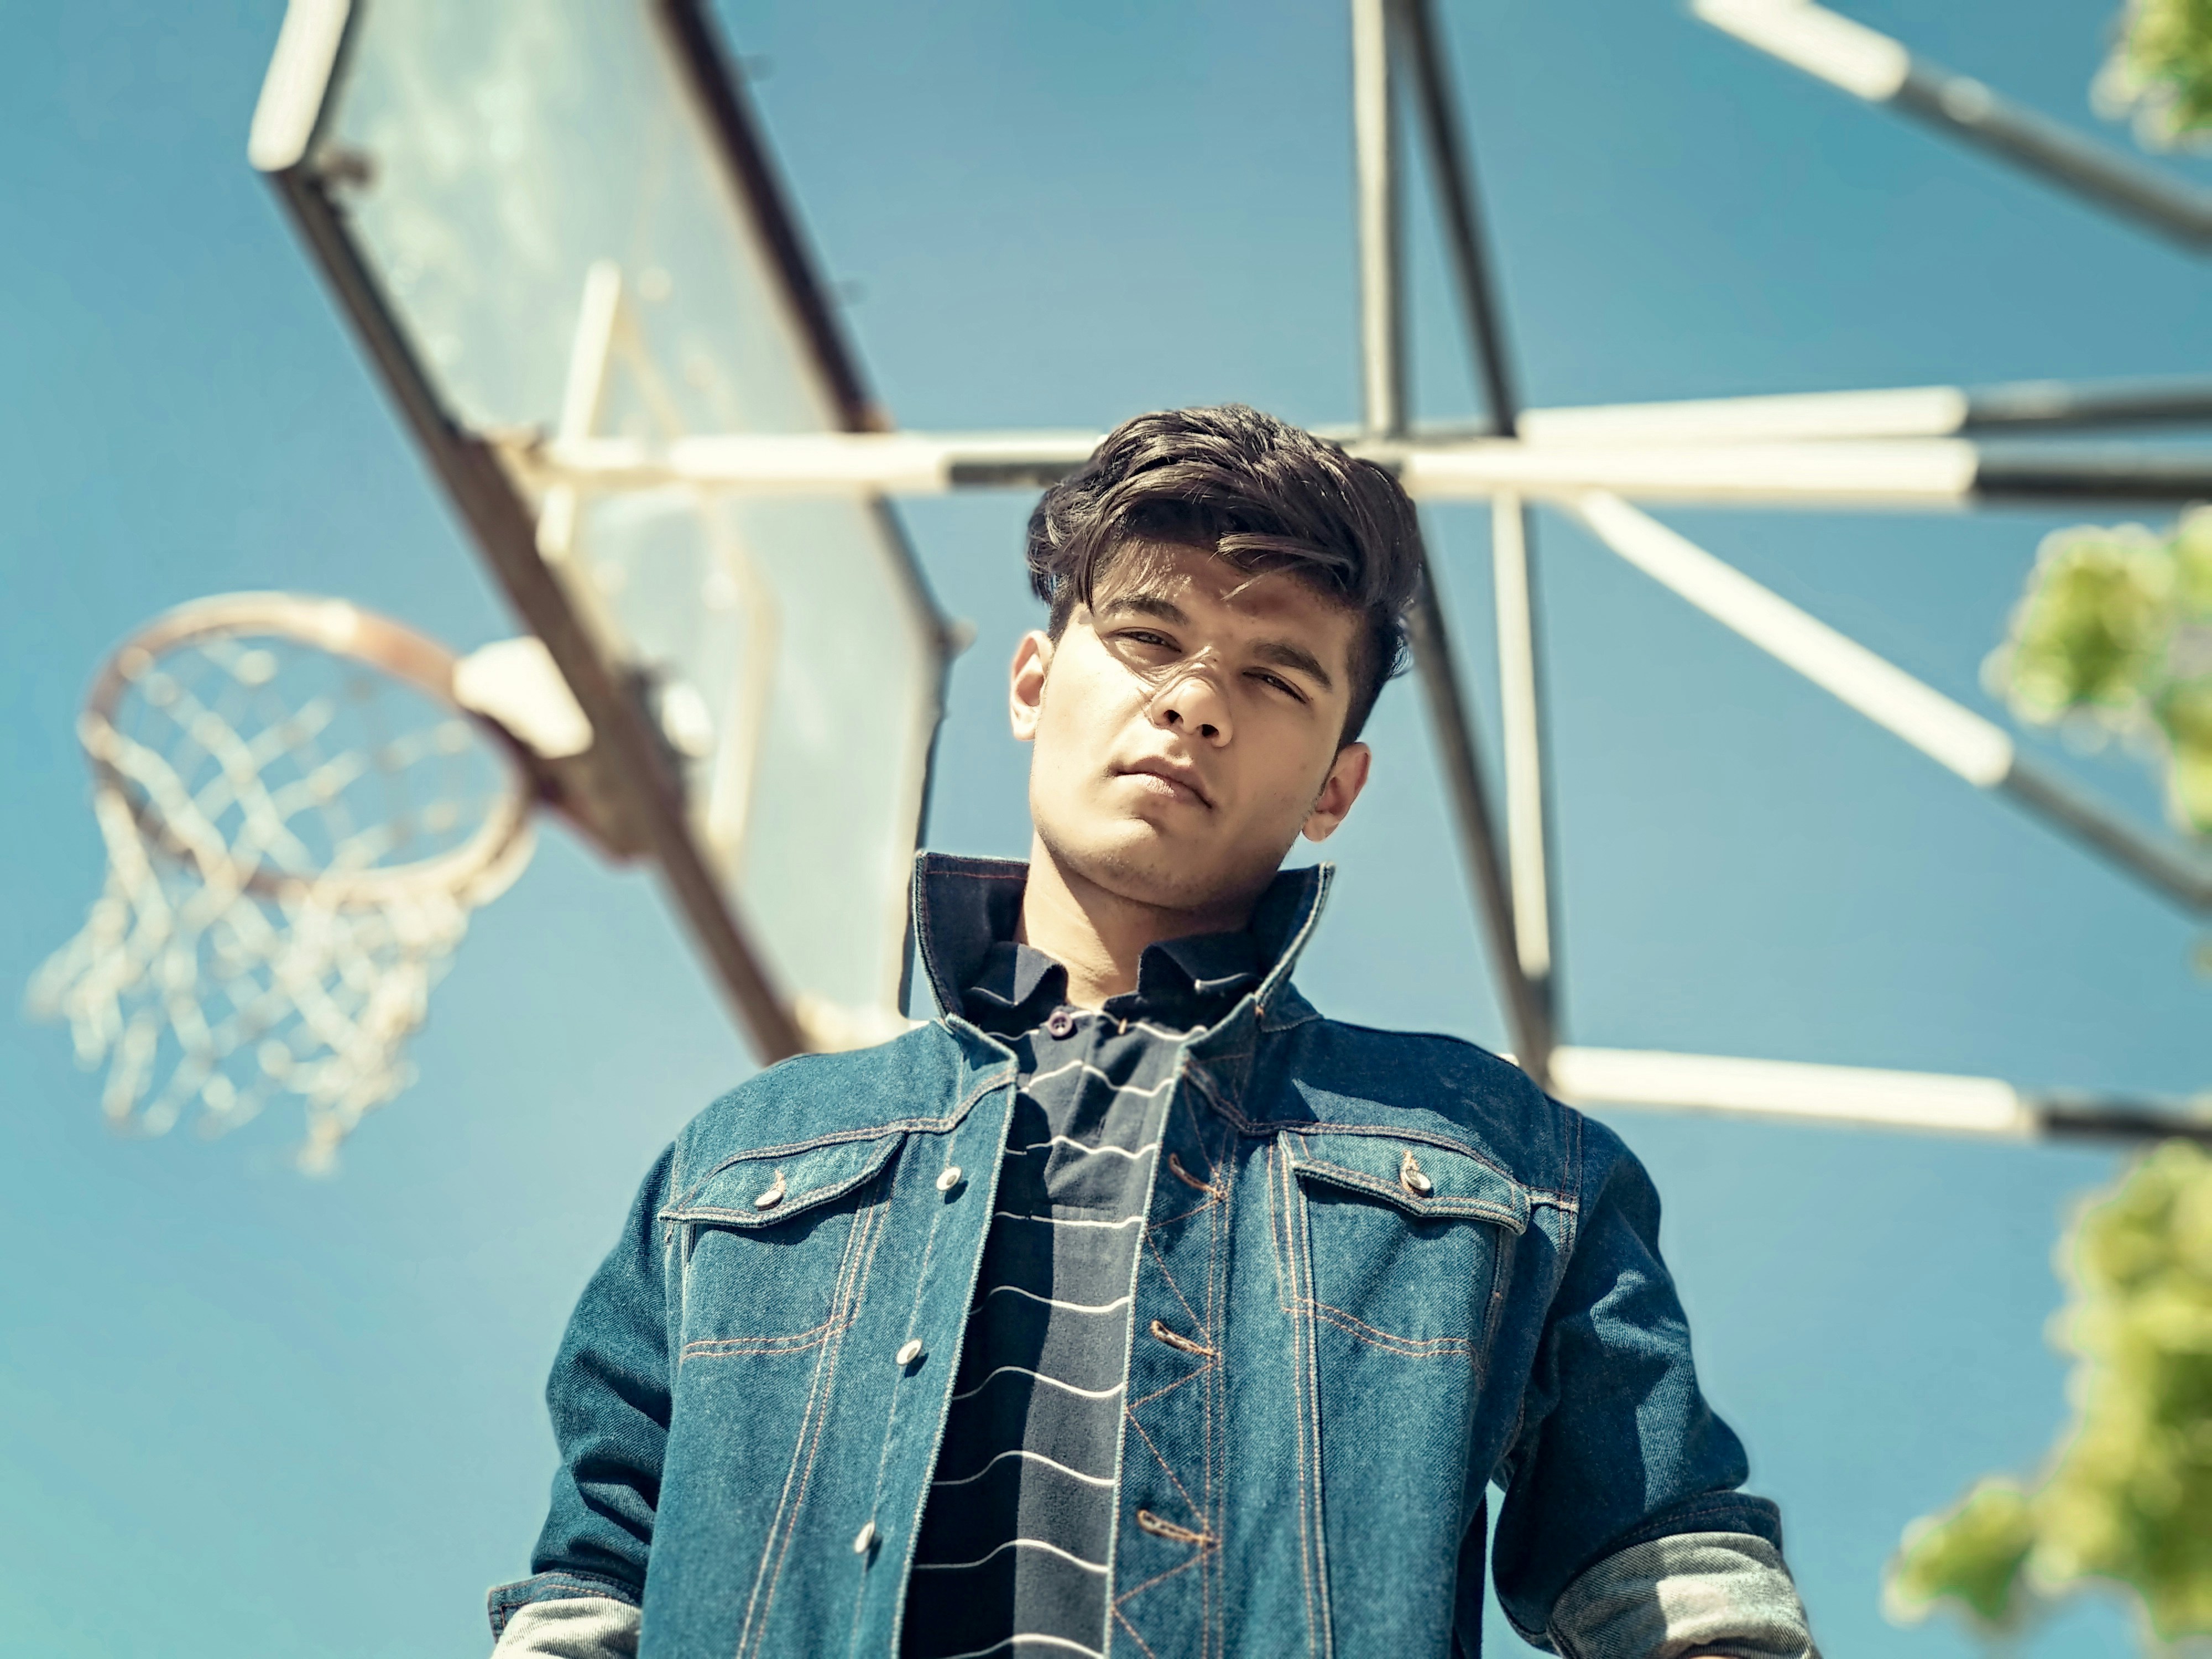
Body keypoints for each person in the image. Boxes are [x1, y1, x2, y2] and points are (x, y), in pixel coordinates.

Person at [487, 406, 1819, 1658]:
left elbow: (1677, 1587)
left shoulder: (1505, 1157)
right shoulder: (743, 1156)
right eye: (1143, 638)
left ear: (1335, 790)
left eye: (1275, 677)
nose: (1193, 701)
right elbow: (591, 1593)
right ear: (1029, 679)